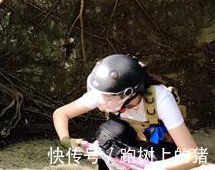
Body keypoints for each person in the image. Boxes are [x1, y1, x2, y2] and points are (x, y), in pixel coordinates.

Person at [53, 54, 200, 170]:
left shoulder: (161, 99)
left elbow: (194, 155)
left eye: (107, 97)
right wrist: (66, 140)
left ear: (129, 94)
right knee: (107, 136)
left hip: (158, 148)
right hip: (128, 143)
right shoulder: (105, 93)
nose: (100, 100)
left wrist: (158, 167)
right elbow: (61, 114)